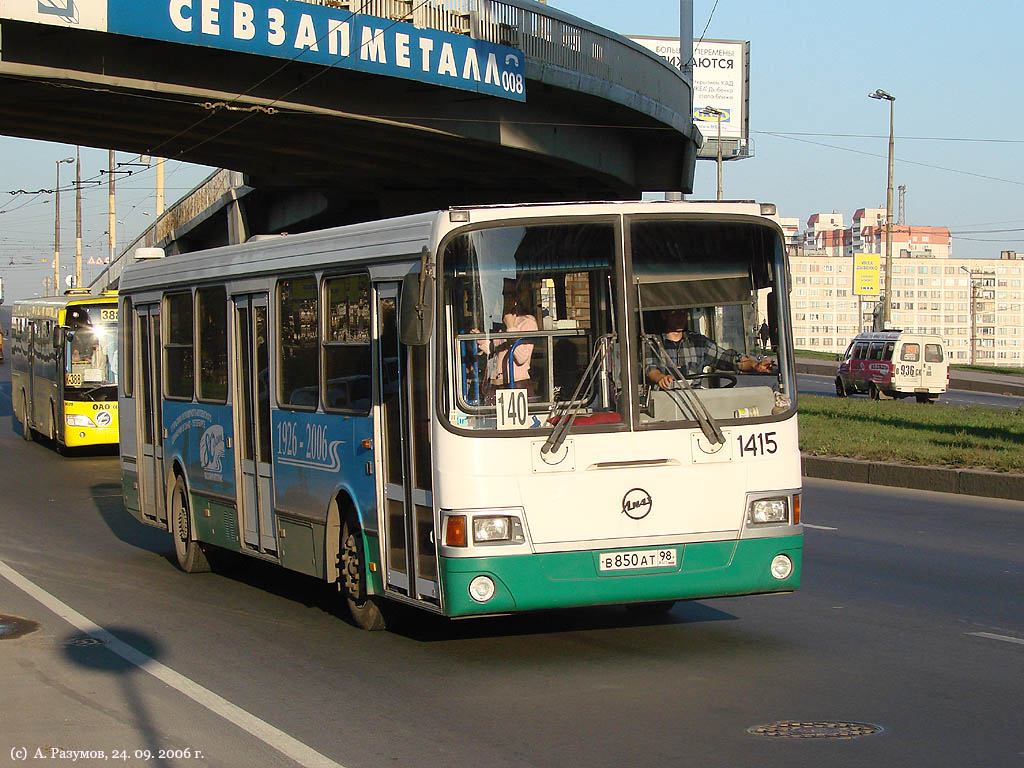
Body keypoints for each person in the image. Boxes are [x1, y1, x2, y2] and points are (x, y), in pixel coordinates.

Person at [646, 308, 772, 389]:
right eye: (674, 313)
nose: (680, 317)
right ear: (664, 315)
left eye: (683, 313)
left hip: (696, 403)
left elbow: (727, 358)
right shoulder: (652, 343)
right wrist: (661, 378)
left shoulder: (698, 342)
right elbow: (650, 369)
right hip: (663, 402)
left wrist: (754, 365)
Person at [473, 284, 538, 396]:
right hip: (495, 385)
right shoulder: (501, 322)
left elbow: (521, 357)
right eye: (502, 295)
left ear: (516, 298)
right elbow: (496, 351)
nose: (505, 299)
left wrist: (511, 328)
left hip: (516, 384)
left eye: (509, 295)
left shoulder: (528, 322)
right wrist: (482, 341)